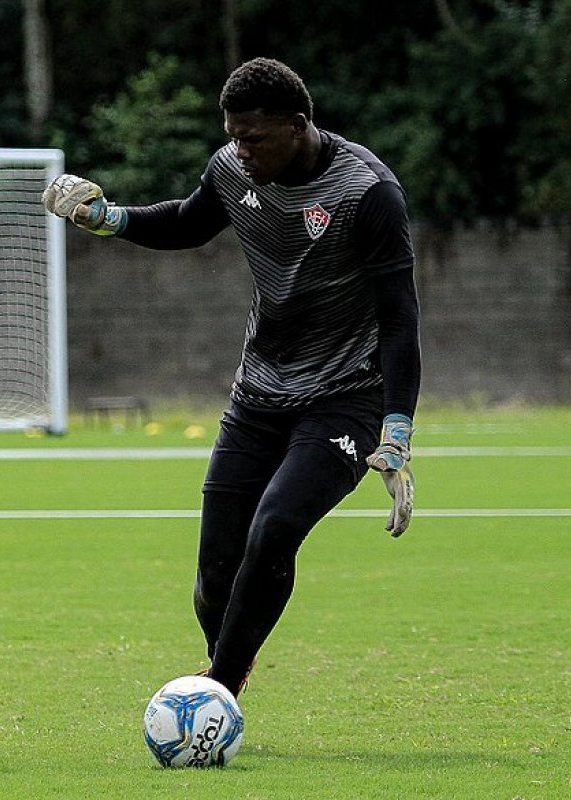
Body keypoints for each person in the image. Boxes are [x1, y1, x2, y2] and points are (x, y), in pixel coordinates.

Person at [43, 57, 420, 700]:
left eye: (254, 138)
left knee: (274, 527)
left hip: (345, 401)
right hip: (259, 395)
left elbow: (400, 319)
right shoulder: (233, 167)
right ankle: (227, 671)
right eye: (233, 135)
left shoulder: (366, 193)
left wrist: (397, 428)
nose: (239, 151)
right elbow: (191, 221)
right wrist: (110, 219)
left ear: (298, 127)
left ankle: (217, 691)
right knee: (214, 574)